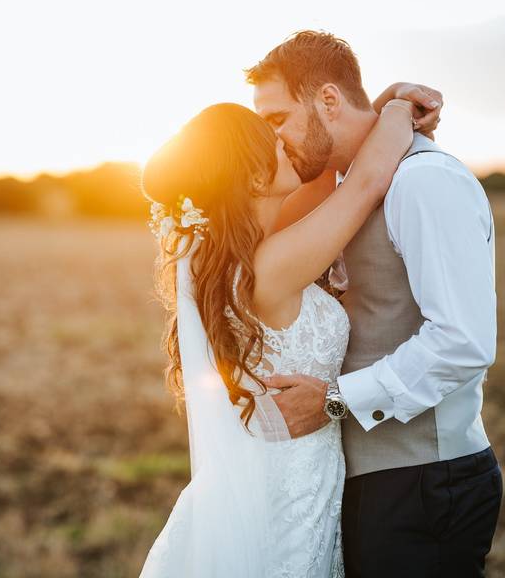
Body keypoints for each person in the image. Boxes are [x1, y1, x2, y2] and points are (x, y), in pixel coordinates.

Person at [138, 75, 441, 576]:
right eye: (275, 143)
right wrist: (398, 109)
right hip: (286, 494)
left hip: (284, 477)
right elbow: (366, 183)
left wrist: (370, 109)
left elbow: (341, 179)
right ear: (254, 178)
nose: (289, 145)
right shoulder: (268, 268)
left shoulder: (250, 257)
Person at [248, 30, 502, 577]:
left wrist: (335, 401)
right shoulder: (346, 187)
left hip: (424, 482)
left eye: (276, 120)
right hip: (358, 482)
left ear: (329, 100)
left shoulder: (425, 182)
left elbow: (463, 341)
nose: (272, 141)